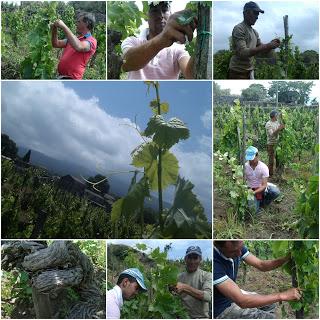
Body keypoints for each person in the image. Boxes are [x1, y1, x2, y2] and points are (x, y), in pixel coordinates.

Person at [214, 240, 302, 319]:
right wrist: (282, 296)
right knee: (269, 318)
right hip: (221, 308)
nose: (239, 254)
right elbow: (242, 301)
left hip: (231, 295)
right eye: (233, 251)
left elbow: (261, 265)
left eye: (241, 248)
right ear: (219, 247)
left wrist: (285, 259)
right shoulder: (215, 263)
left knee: (269, 305)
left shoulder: (237, 247)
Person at [121, 1, 196, 79]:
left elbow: (191, 75)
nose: (160, 15)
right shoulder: (131, 41)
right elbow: (127, 63)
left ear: (170, 13)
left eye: (164, 10)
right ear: (146, 16)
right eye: (154, 11)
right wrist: (162, 39)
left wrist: (199, 43)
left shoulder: (179, 49)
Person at [229, 1, 281, 79]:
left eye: (258, 14)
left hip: (249, 71)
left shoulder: (255, 32)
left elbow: (261, 49)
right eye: (255, 13)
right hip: (237, 72)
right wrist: (267, 46)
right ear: (245, 13)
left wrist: (271, 45)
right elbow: (243, 52)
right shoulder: (239, 28)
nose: (257, 17)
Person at [51, 12, 97, 79]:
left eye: (79, 22)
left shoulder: (92, 41)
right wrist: (54, 29)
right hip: (62, 77)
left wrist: (64, 26)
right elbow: (56, 44)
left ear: (86, 23)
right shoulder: (75, 39)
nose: (76, 24)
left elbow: (79, 46)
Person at [174, 246, 212, 318]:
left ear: (200, 259)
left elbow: (208, 296)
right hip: (182, 316)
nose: (192, 261)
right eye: (189, 258)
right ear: (185, 259)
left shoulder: (207, 275)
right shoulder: (178, 277)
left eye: (195, 258)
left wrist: (184, 287)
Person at [244, 146, 280, 213]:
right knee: (253, 212)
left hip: (261, 187)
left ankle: (263, 203)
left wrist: (254, 192)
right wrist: (248, 190)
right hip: (250, 188)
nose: (250, 160)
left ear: (257, 156)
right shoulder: (245, 166)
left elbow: (264, 185)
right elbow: (242, 180)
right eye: (249, 159)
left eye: (252, 158)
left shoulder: (263, 167)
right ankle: (256, 203)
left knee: (275, 192)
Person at [265, 110, 285, 176]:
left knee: (278, 158)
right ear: (274, 116)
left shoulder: (277, 122)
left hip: (277, 143)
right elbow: (272, 134)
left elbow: (281, 129)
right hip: (271, 144)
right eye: (277, 115)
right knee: (271, 160)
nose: (277, 117)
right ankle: (270, 174)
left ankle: (277, 172)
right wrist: (279, 129)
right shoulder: (268, 124)